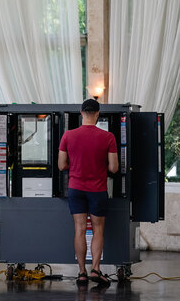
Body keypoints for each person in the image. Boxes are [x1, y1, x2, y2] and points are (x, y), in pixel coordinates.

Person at [58, 99, 118, 286]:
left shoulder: (68, 135)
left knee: (79, 229)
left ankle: (82, 272)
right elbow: (114, 168)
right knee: (98, 230)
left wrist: (75, 166)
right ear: (98, 113)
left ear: (81, 113)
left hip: (76, 188)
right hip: (98, 189)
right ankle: (96, 269)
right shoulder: (108, 137)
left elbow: (61, 165)